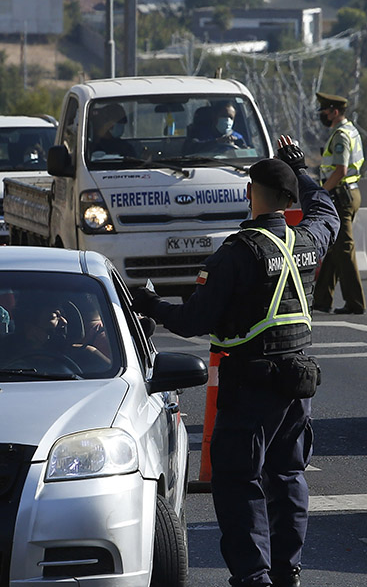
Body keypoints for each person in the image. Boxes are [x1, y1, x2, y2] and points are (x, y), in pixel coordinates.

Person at [130, 136, 339, 587]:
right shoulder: (307, 241)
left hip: (251, 385)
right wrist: (299, 170)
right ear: (289, 199)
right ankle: (287, 572)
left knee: (237, 480)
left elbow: (192, 320)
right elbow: (328, 211)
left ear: (250, 193)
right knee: (287, 475)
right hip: (297, 383)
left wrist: (148, 303)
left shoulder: (237, 252)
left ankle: (254, 576)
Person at [311, 92, 366, 315]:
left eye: (324, 111)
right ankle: (321, 299)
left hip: (341, 195)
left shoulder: (341, 135)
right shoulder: (350, 130)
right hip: (349, 193)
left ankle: (355, 303)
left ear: (334, 111)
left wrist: (321, 193)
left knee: (344, 249)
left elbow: (340, 170)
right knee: (334, 248)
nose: (322, 115)